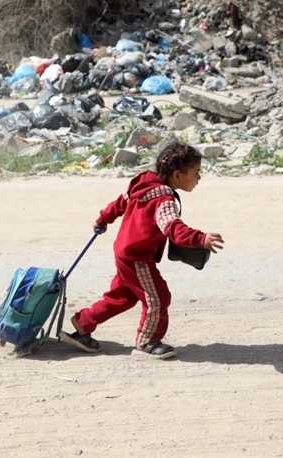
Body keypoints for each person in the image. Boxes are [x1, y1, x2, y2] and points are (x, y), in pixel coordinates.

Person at [58, 141, 224, 359]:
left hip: (124, 252)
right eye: (196, 173)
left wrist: (103, 219)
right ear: (176, 175)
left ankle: (83, 323)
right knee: (158, 298)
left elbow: (120, 202)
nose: (198, 178)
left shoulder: (143, 183)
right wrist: (200, 238)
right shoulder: (164, 200)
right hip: (137, 257)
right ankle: (147, 342)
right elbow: (172, 227)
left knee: (122, 297)